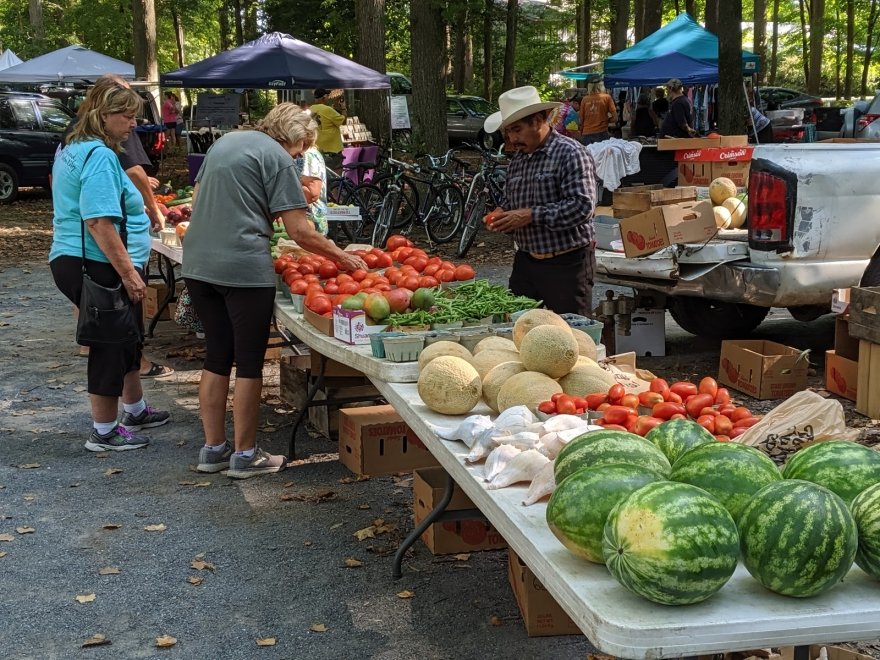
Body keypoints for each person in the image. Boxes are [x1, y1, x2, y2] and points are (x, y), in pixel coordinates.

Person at [182, 103, 367, 479]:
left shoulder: (225, 143)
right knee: (249, 363)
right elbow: (299, 230)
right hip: (242, 268)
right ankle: (245, 455)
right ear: (295, 139)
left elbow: (199, 200)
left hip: (198, 264)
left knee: (217, 355)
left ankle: (212, 449)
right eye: (301, 149)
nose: (299, 157)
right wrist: (343, 258)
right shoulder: (279, 158)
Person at [49, 78, 170, 452]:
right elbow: (99, 221)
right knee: (109, 345)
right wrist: (129, 273)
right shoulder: (99, 156)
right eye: (127, 116)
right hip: (95, 262)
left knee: (127, 337)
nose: (134, 124)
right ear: (104, 115)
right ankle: (104, 431)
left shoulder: (77, 146)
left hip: (84, 258)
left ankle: (133, 409)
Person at [483, 86, 598, 317]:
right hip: (526, 262)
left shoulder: (571, 153)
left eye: (517, 130)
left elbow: (582, 206)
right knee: (518, 327)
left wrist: (530, 215)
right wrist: (502, 213)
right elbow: (512, 200)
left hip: (567, 263)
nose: (512, 139)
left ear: (538, 120)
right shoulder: (519, 159)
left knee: (572, 336)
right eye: (508, 132)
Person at [295, 143, 329, 236]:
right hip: (307, 218)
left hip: (311, 219)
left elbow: (312, 193)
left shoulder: (309, 155)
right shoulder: (305, 154)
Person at [310, 88, 345, 170]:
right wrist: (343, 108)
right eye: (327, 96)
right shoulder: (328, 109)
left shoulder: (311, 109)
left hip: (318, 149)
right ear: (324, 97)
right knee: (336, 176)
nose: (328, 98)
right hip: (332, 150)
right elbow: (343, 121)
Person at [578, 80, 618, 145]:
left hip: (587, 133)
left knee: (588, 154)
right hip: (602, 133)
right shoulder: (607, 97)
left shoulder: (584, 99)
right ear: (602, 86)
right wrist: (605, 120)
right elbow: (615, 118)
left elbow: (581, 120)